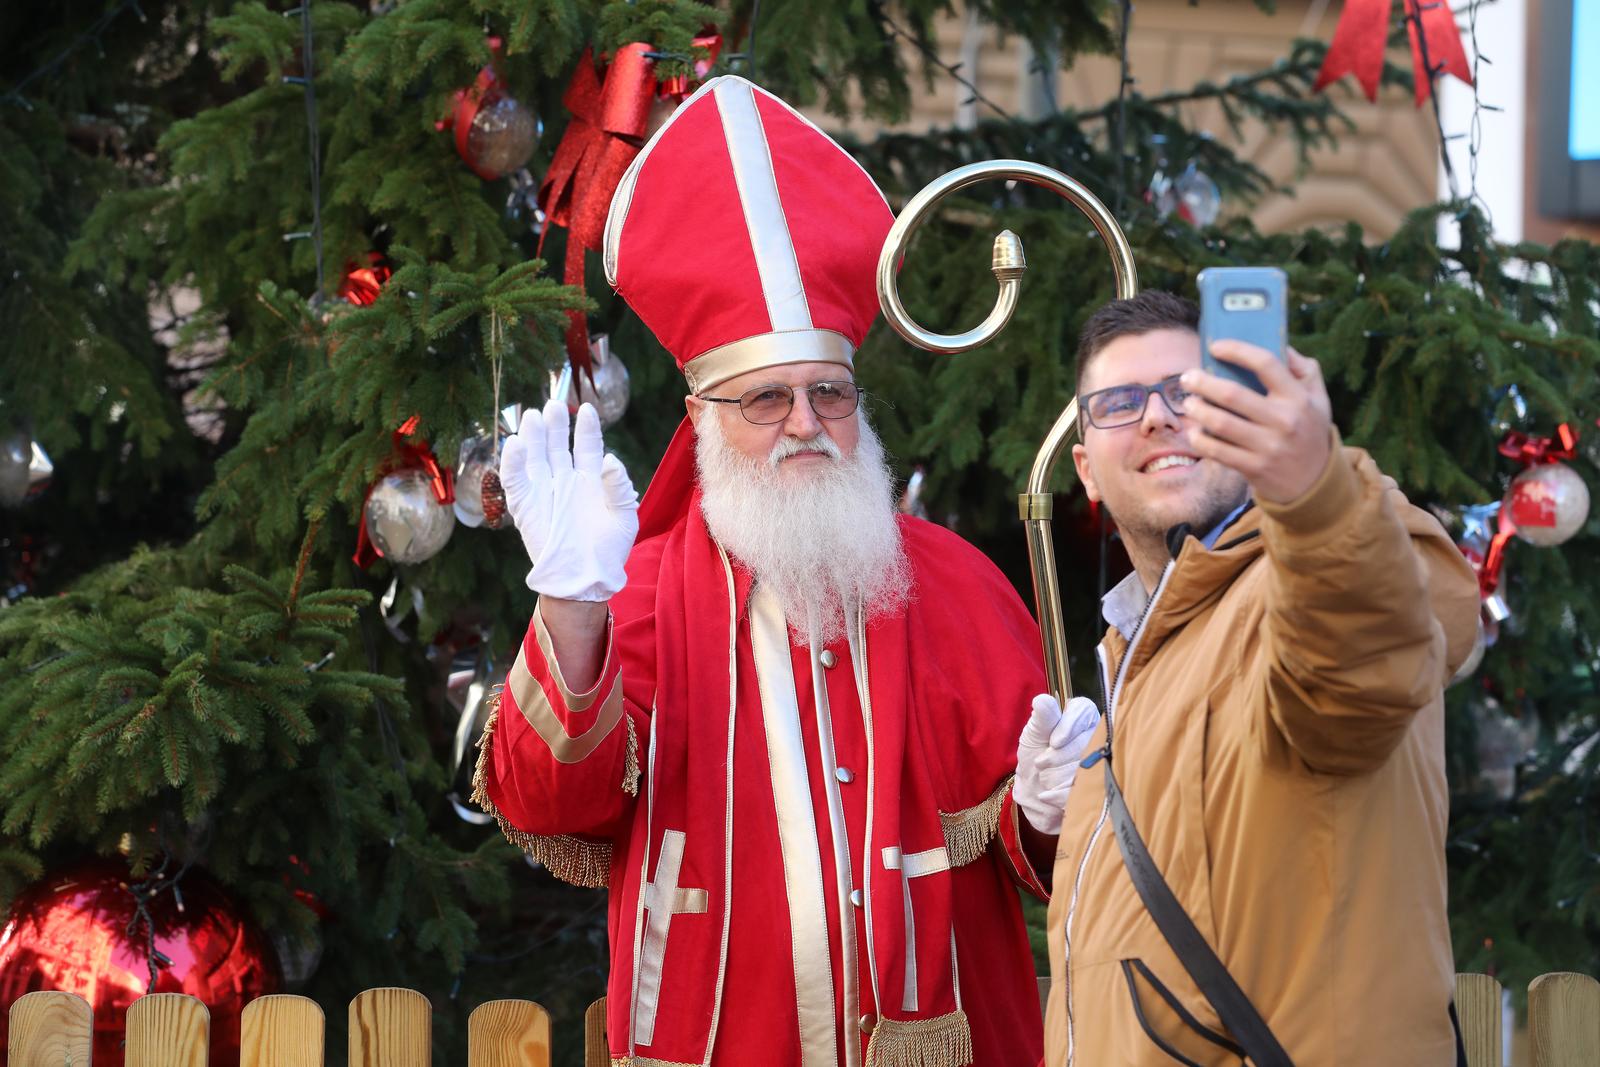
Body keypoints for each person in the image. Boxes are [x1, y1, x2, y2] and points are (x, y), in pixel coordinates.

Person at [472, 75, 1095, 1067]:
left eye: (828, 393)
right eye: (766, 399)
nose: (805, 422)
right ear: (700, 419)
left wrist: (1052, 808)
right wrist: (573, 605)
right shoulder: (639, 590)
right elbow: (552, 807)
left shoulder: (956, 582)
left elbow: (1050, 857)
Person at [1026, 290, 1480, 1065]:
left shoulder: (1306, 583)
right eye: (1119, 403)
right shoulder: (1140, 653)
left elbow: (1356, 663)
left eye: (1187, 391)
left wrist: (1314, 489)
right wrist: (1078, 809)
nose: (1157, 416)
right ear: (1086, 470)